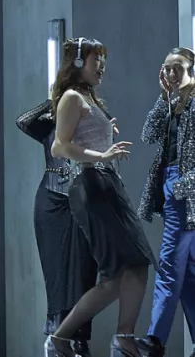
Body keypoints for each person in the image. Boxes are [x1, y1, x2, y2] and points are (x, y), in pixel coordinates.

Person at [46, 38, 152, 357]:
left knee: (123, 272)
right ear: (78, 62)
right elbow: (59, 146)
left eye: (103, 60)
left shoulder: (87, 97)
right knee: (129, 266)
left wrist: (104, 131)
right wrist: (103, 155)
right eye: (96, 60)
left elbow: (83, 136)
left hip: (105, 185)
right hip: (93, 185)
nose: (102, 66)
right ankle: (119, 338)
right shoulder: (71, 98)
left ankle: (66, 338)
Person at [16, 99, 96, 357]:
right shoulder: (49, 124)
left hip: (82, 200)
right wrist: (52, 102)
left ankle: (81, 339)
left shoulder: (90, 121)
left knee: (85, 271)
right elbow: (22, 122)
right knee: (55, 273)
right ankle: (55, 334)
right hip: (50, 202)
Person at [135, 47, 195, 357]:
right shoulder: (172, 103)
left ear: (192, 71)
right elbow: (147, 135)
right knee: (189, 273)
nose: (172, 74)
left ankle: (155, 339)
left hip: (183, 190)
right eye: (167, 68)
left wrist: (181, 187)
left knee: (170, 263)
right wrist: (162, 98)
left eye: (178, 68)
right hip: (175, 188)